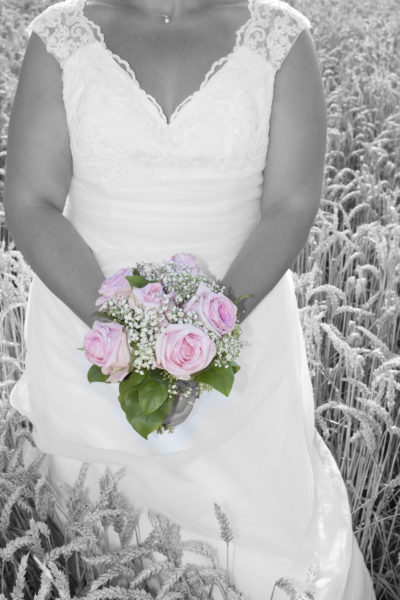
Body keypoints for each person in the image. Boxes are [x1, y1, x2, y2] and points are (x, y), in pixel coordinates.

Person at [4, 0, 376, 597]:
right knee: (93, 541)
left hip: (243, 325)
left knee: (259, 535)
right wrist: (122, 337)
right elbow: (30, 199)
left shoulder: (280, 36)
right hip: (85, 331)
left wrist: (204, 342)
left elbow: (291, 203)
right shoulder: (60, 36)